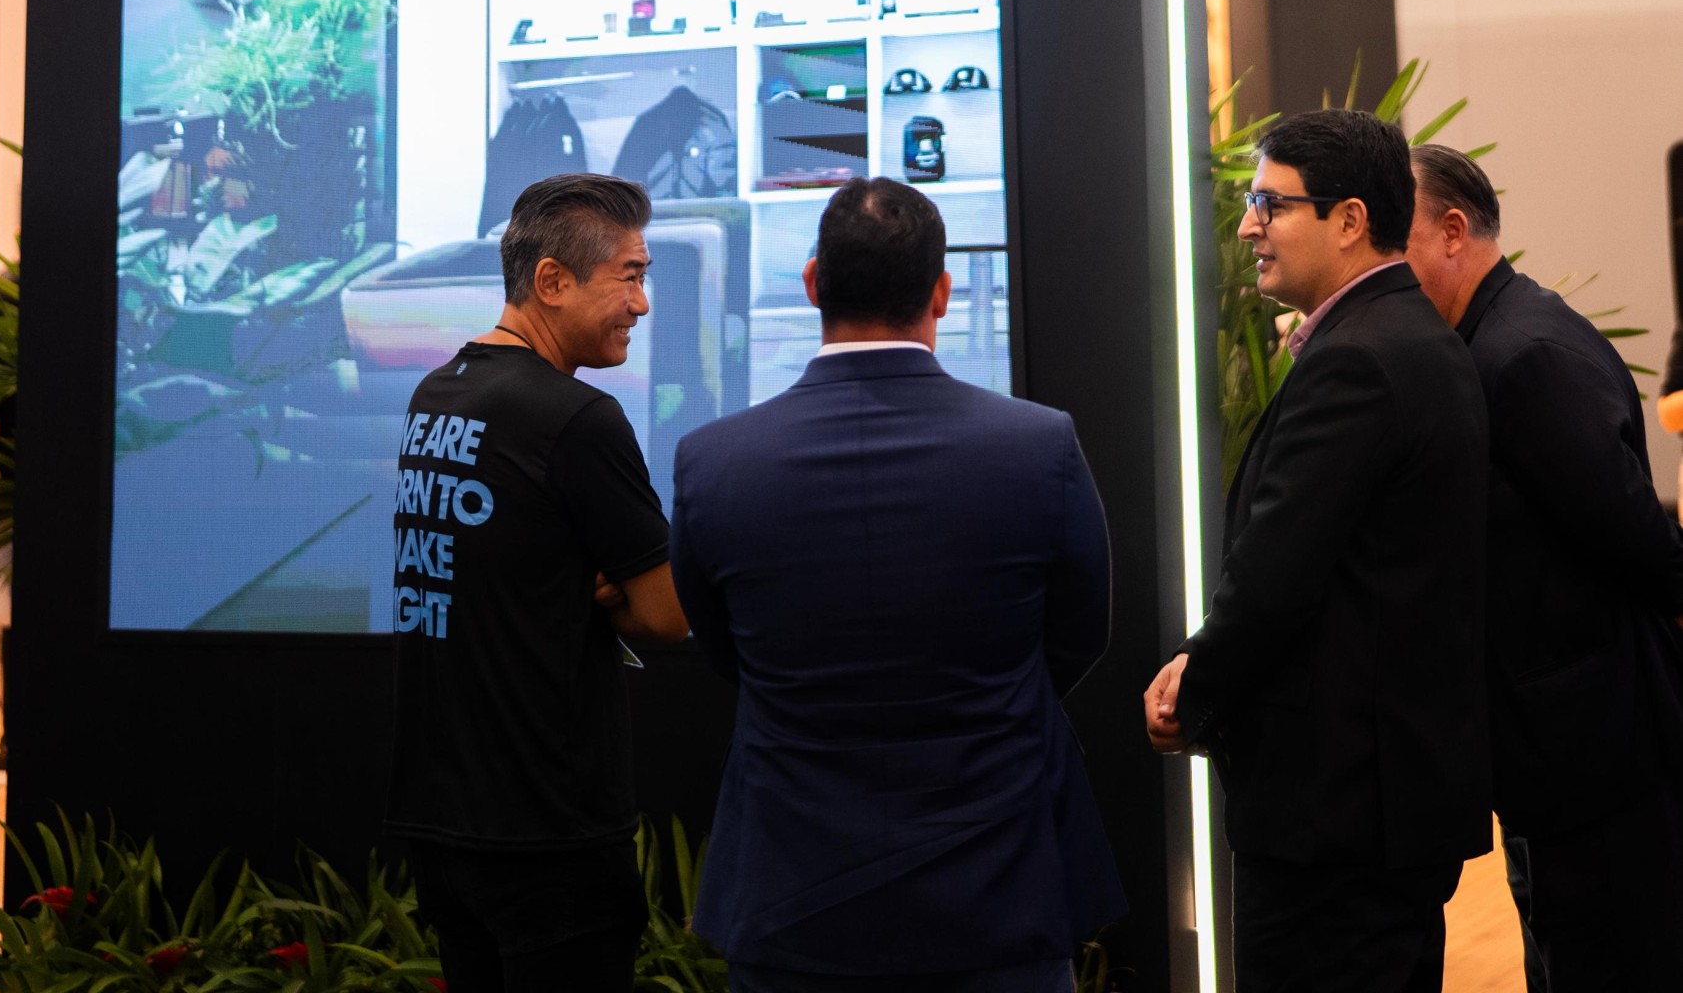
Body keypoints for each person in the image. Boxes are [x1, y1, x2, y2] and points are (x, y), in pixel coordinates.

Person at [669, 176, 1124, 993]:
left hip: (794, 895)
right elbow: (1078, 634)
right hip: (996, 885)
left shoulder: (714, 461)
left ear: (812, 283)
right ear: (941, 292)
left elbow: (727, 651)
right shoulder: (1037, 446)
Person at [1145, 109, 1488, 993]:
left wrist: (1192, 689)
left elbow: (1274, 576)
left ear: (1349, 221)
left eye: (1270, 204)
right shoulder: (1407, 335)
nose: (1247, 227)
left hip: (1333, 815)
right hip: (1379, 803)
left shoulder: (1359, 358)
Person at [386, 173, 688, 993]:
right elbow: (665, 616)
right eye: (629, 276)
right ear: (552, 280)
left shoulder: (436, 393)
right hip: (548, 828)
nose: (641, 303)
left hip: (445, 819)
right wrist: (614, 594)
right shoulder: (579, 417)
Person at [1406, 141, 1683, 991]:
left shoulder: (1521, 352)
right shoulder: (1499, 334)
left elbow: (1634, 537)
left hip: (1594, 750)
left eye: (1393, 234)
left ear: (1453, 231)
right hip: (1567, 747)